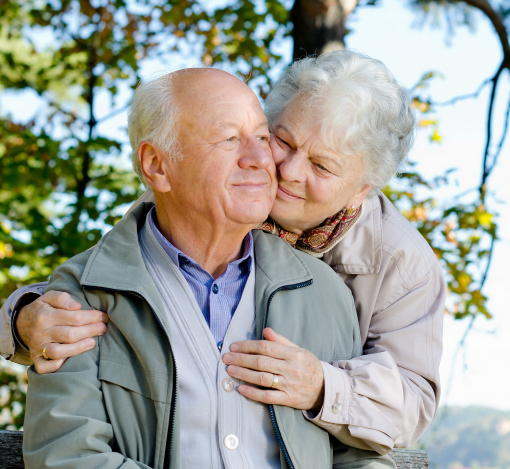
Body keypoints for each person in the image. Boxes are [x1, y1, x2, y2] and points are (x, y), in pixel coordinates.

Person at [2, 50, 445, 454]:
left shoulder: (398, 265)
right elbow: (116, 282)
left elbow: (409, 409)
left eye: (322, 166)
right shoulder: (210, 188)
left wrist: (320, 386)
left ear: (362, 188)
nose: (286, 171)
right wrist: (22, 320)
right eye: (283, 141)